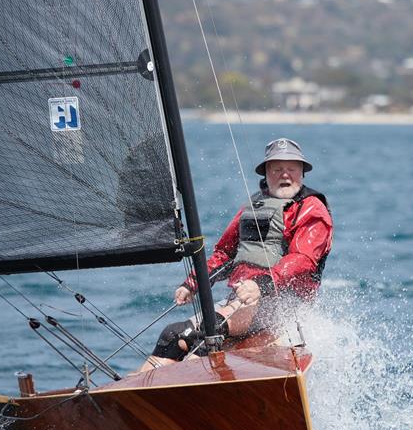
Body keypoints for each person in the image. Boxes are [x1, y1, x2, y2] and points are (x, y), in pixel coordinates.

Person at [136, 138, 332, 371]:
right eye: (277, 169)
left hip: (283, 305)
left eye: (291, 168)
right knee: (173, 336)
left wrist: (262, 284)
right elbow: (225, 254)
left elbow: (303, 259)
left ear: (302, 172)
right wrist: (192, 283)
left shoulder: (311, 209)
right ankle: (127, 391)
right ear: (266, 173)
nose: (285, 175)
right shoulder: (253, 207)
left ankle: (192, 385)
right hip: (242, 302)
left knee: (208, 335)